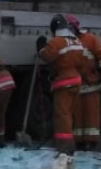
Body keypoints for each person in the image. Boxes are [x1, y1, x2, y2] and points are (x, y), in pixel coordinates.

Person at [36, 14, 84, 155]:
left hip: (64, 83)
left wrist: (40, 48)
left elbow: (47, 56)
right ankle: (70, 144)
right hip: (76, 81)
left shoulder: (56, 42)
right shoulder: (76, 41)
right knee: (70, 114)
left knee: (62, 116)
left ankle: (64, 148)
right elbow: (81, 63)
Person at [66, 14, 101, 150]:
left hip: (91, 84)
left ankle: (92, 141)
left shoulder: (90, 39)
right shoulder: (66, 41)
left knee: (91, 114)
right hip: (76, 85)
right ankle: (79, 141)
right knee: (77, 115)